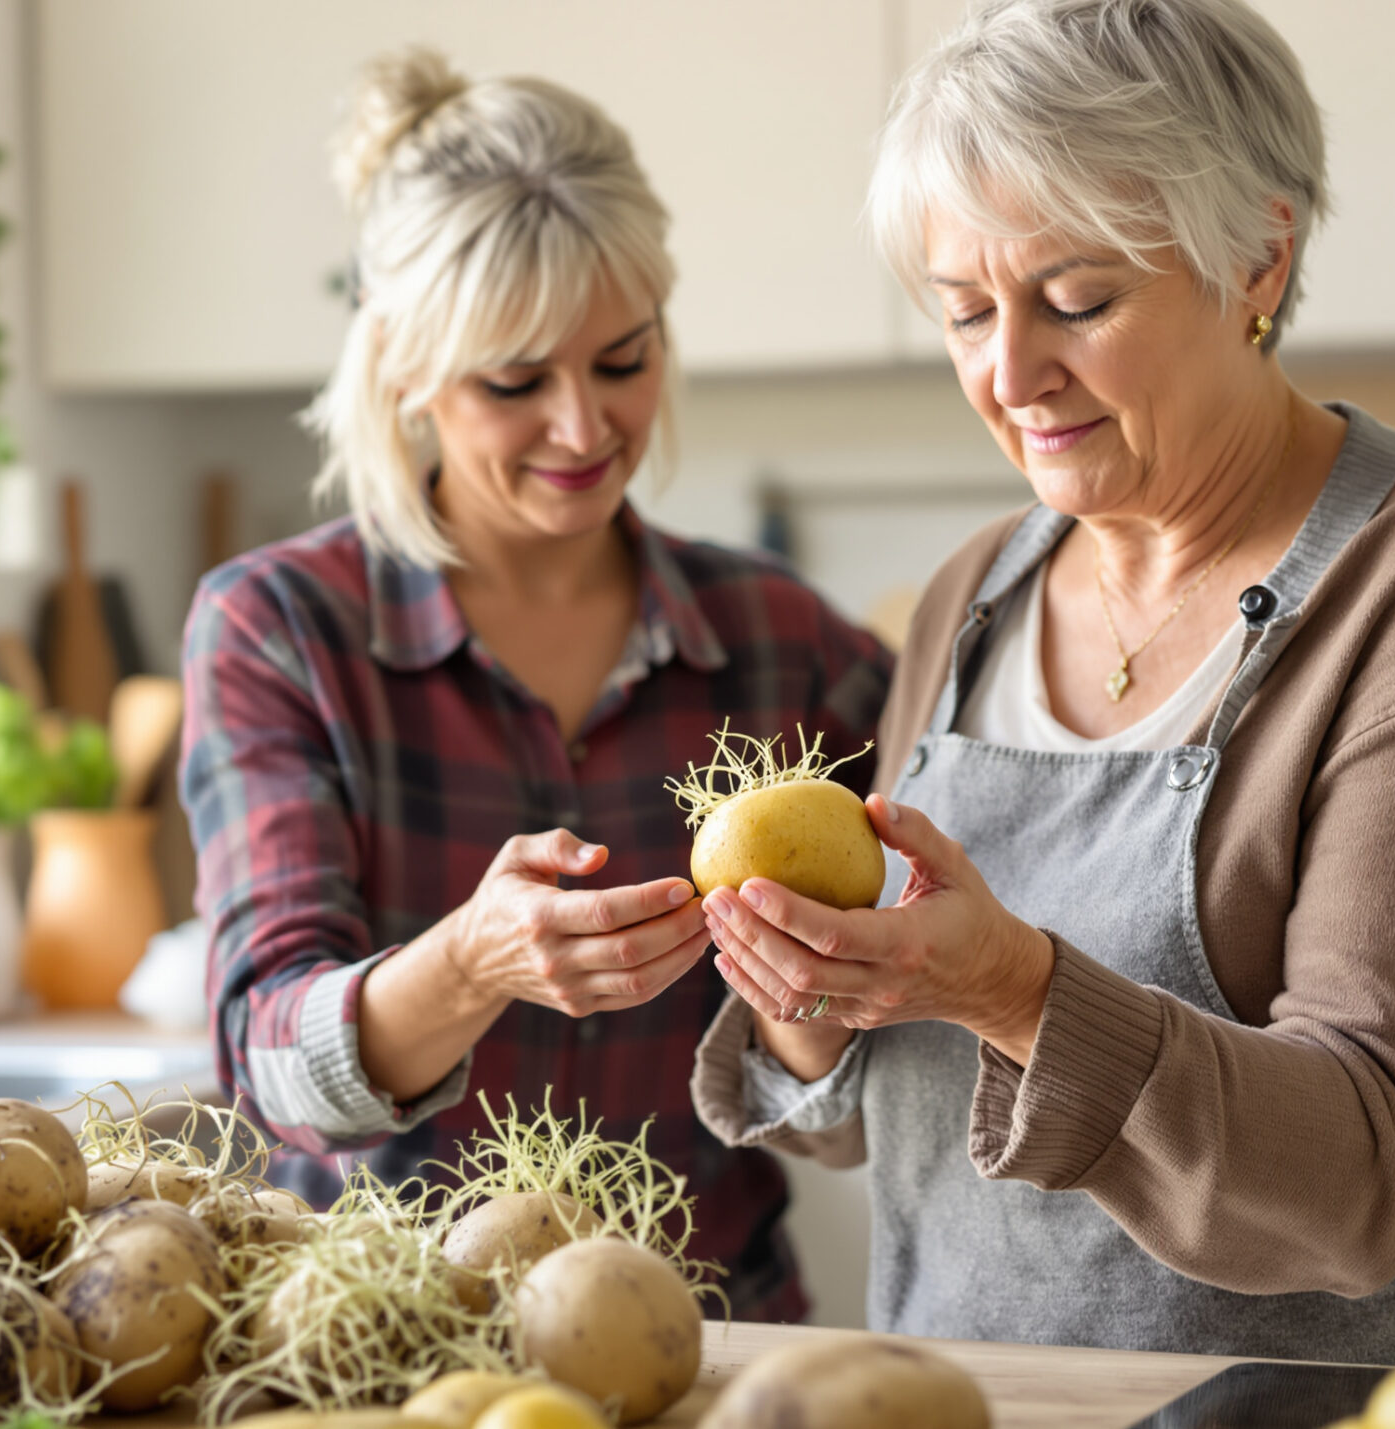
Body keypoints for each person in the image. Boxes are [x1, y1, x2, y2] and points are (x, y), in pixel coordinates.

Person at [690, 0, 1395, 1371]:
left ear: (1260, 255)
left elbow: (1366, 1179)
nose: (1010, 374)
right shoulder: (977, 592)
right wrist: (804, 983)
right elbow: (880, 1125)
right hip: (975, 1397)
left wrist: (1017, 989)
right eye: (965, 312)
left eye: (1077, 299)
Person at [180, 48, 892, 1321]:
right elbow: (266, 1061)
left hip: (709, 1347)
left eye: (622, 360)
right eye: (515, 383)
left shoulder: (781, 642)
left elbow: (875, 1061)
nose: (583, 428)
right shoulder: (282, 630)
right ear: (403, 366)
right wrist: (470, 962)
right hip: (384, 1349)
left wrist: (815, 1007)